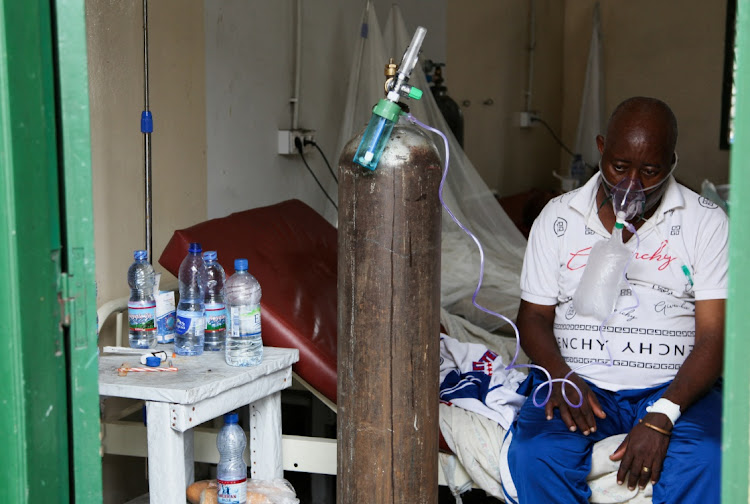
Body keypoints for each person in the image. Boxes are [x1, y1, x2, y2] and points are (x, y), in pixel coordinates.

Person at [506, 97, 727, 504]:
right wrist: (561, 377)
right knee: (535, 454)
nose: (632, 185)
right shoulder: (559, 219)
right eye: (619, 167)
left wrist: (664, 414)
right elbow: (533, 317)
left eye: (651, 171)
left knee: (708, 458)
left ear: (672, 162)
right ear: (601, 148)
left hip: (671, 384)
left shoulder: (705, 222)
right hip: (580, 380)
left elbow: (715, 334)